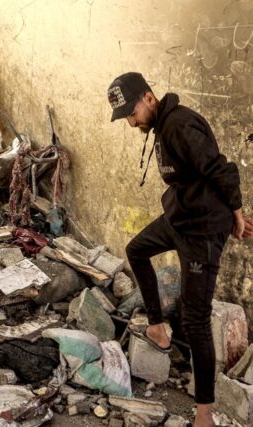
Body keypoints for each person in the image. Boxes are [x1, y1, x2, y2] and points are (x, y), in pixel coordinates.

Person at [108, 72, 253, 427]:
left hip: (202, 231)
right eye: (125, 116)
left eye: (132, 112)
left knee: (195, 319)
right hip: (180, 219)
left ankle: (205, 413)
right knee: (136, 249)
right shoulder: (161, 127)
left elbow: (221, 169)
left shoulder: (179, 125)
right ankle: (157, 328)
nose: (131, 121)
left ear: (148, 97)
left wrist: (236, 213)